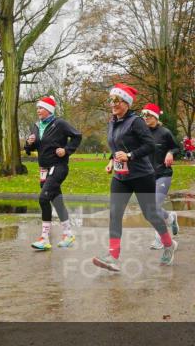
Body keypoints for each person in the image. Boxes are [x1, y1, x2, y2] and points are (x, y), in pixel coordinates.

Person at [92, 84, 178, 271]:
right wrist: (110, 161)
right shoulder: (112, 122)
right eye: (111, 100)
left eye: (116, 100)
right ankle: (113, 256)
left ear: (126, 103)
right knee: (115, 213)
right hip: (121, 176)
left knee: (150, 215)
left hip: (141, 175)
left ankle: (169, 244)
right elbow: (116, 147)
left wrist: (130, 156)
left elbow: (150, 146)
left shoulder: (136, 122)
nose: (112, 104)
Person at [23, 96, 82, 250]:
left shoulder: (59, 124)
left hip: (59, 166)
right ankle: (68, 234)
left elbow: (77, 136)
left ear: (49, 110)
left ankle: (44, 238)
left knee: (43, 198)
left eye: (40, 108)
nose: (38, 111)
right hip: (44, 170)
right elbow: (30, 149)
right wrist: (28, 144)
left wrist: (66, 150)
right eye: (37, 108)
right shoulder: (36, 126)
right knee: (56, 201)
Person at [141, 103, 181, 249]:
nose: (146, 118)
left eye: (149, 116)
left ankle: (159, 239)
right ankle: (170, 217)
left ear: (156, 117)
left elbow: (177, 147)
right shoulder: (141, 133)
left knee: (154, 206)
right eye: (144, 116)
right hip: (146, 176)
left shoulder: (165, 132)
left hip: (163, 174)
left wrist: (171, 153)